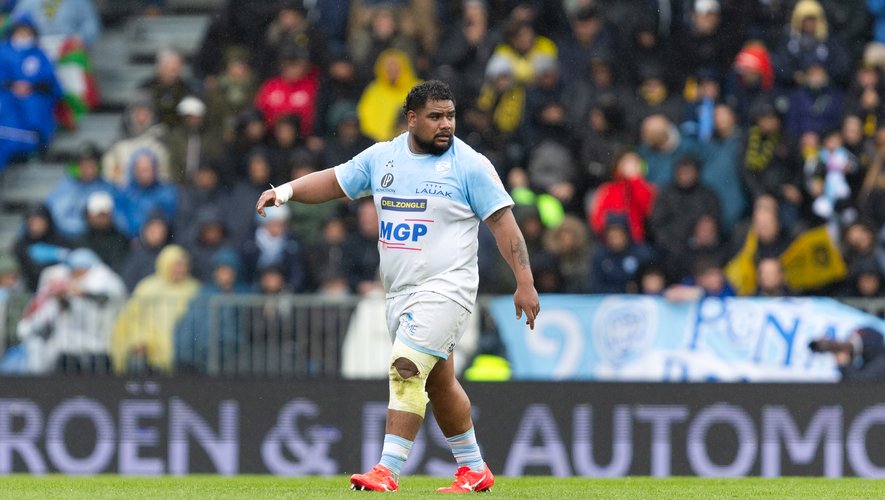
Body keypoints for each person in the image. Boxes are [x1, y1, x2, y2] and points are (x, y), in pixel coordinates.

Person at [255, 80, 539, 493]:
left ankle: (387, 469)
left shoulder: (470, 165)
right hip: (400, 292)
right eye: (435, 117)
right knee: (439, 383)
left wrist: (525, 282)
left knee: (406, 365)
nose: (446, 124)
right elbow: (335, 181)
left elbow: (504, 225)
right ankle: (474, 467)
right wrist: (285, 191)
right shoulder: (382, 157)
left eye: (450, 116)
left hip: (448, 289)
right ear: (411, 119)